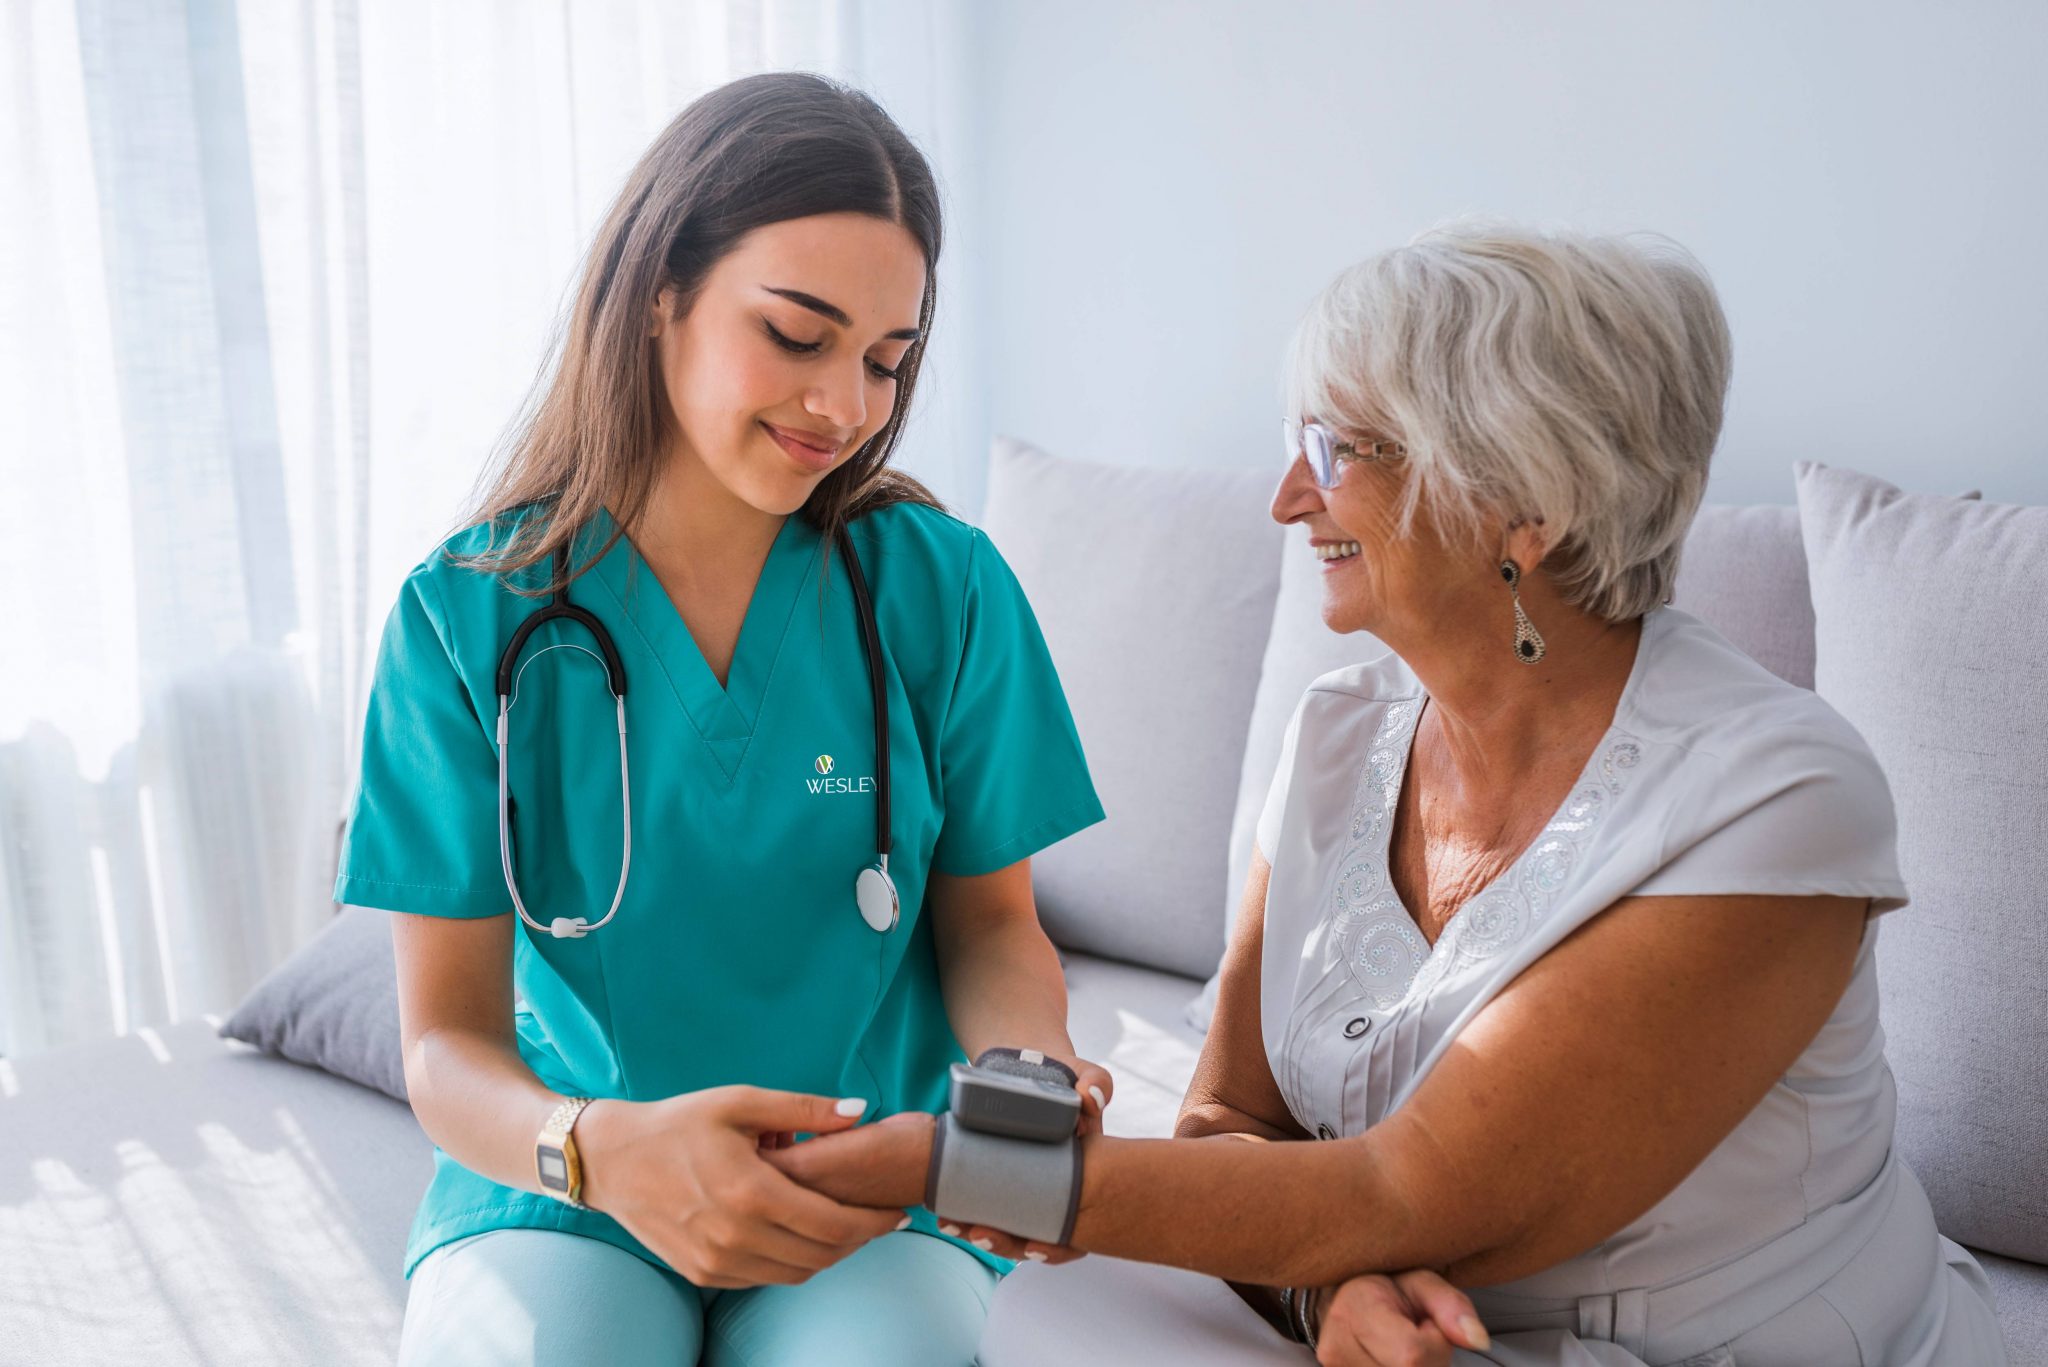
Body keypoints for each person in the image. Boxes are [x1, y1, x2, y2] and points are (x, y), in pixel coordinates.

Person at [764, 223, 2010, 1366]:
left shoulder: (1775, 796)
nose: (1285, 497)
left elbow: (1405, 1193)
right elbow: (1221, 1114)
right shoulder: (1334, 735)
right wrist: (1316, 1291)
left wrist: (933, 1163)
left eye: (1332, 450)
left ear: (1523, 497)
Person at [334, 72, 1116, 1366]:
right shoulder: (462, 616)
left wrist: (1031, 1080)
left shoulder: (943, 588)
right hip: (567, 1177)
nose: (847, 407)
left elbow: (992, 924)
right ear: (660, 295)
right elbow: (445, 1040)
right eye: (798, 335)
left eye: (886, 359)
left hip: (871, 1180)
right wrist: (594, 1145)